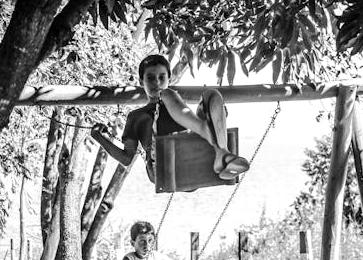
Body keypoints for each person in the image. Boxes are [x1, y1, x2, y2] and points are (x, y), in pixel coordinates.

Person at [91, 54, 249, 184]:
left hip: (192, 161)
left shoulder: (179, 108)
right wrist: (98, 137)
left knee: (210, 96)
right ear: (141, 82)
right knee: (167, 94)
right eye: (151, 78)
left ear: (170, 79)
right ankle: (217, 143)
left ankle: (218, 150)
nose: (157, 83)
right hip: (162, 169)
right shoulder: (136, 116)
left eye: (162, 77)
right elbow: (126, 158)